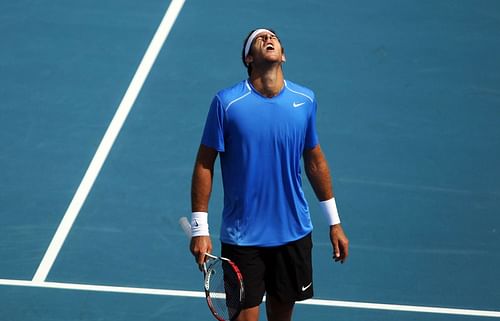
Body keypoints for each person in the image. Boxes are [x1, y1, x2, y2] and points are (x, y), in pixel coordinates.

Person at [189, 28, 349, 321]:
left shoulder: (305, 100)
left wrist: (334, 222)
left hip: (293, 232)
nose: (268, 39)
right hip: (243, 237)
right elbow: (204, 163)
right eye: (259, 40)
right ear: (249, 58)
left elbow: (314, 161)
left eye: (273, 38)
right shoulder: (227, 104)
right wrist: (200, 227)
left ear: (283, 55)